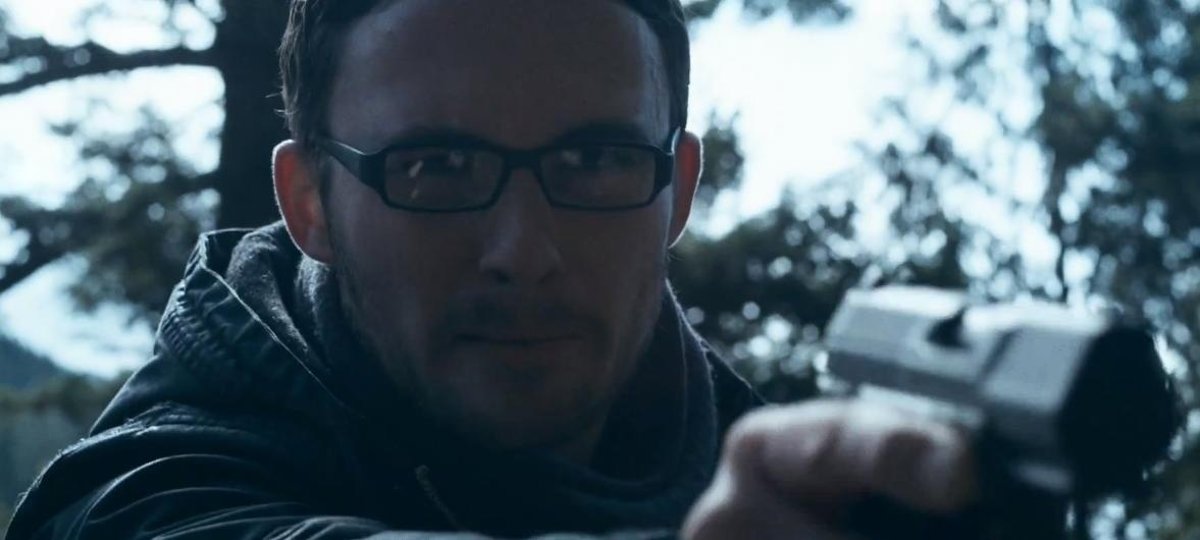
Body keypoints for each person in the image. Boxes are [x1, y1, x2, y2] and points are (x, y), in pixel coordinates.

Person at [5, 0, 977, 538]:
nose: (522, 253)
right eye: (436, 167)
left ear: (678, 191)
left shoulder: (795, 489)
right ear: (310, 205)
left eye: (593, 160)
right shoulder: (141, 499)